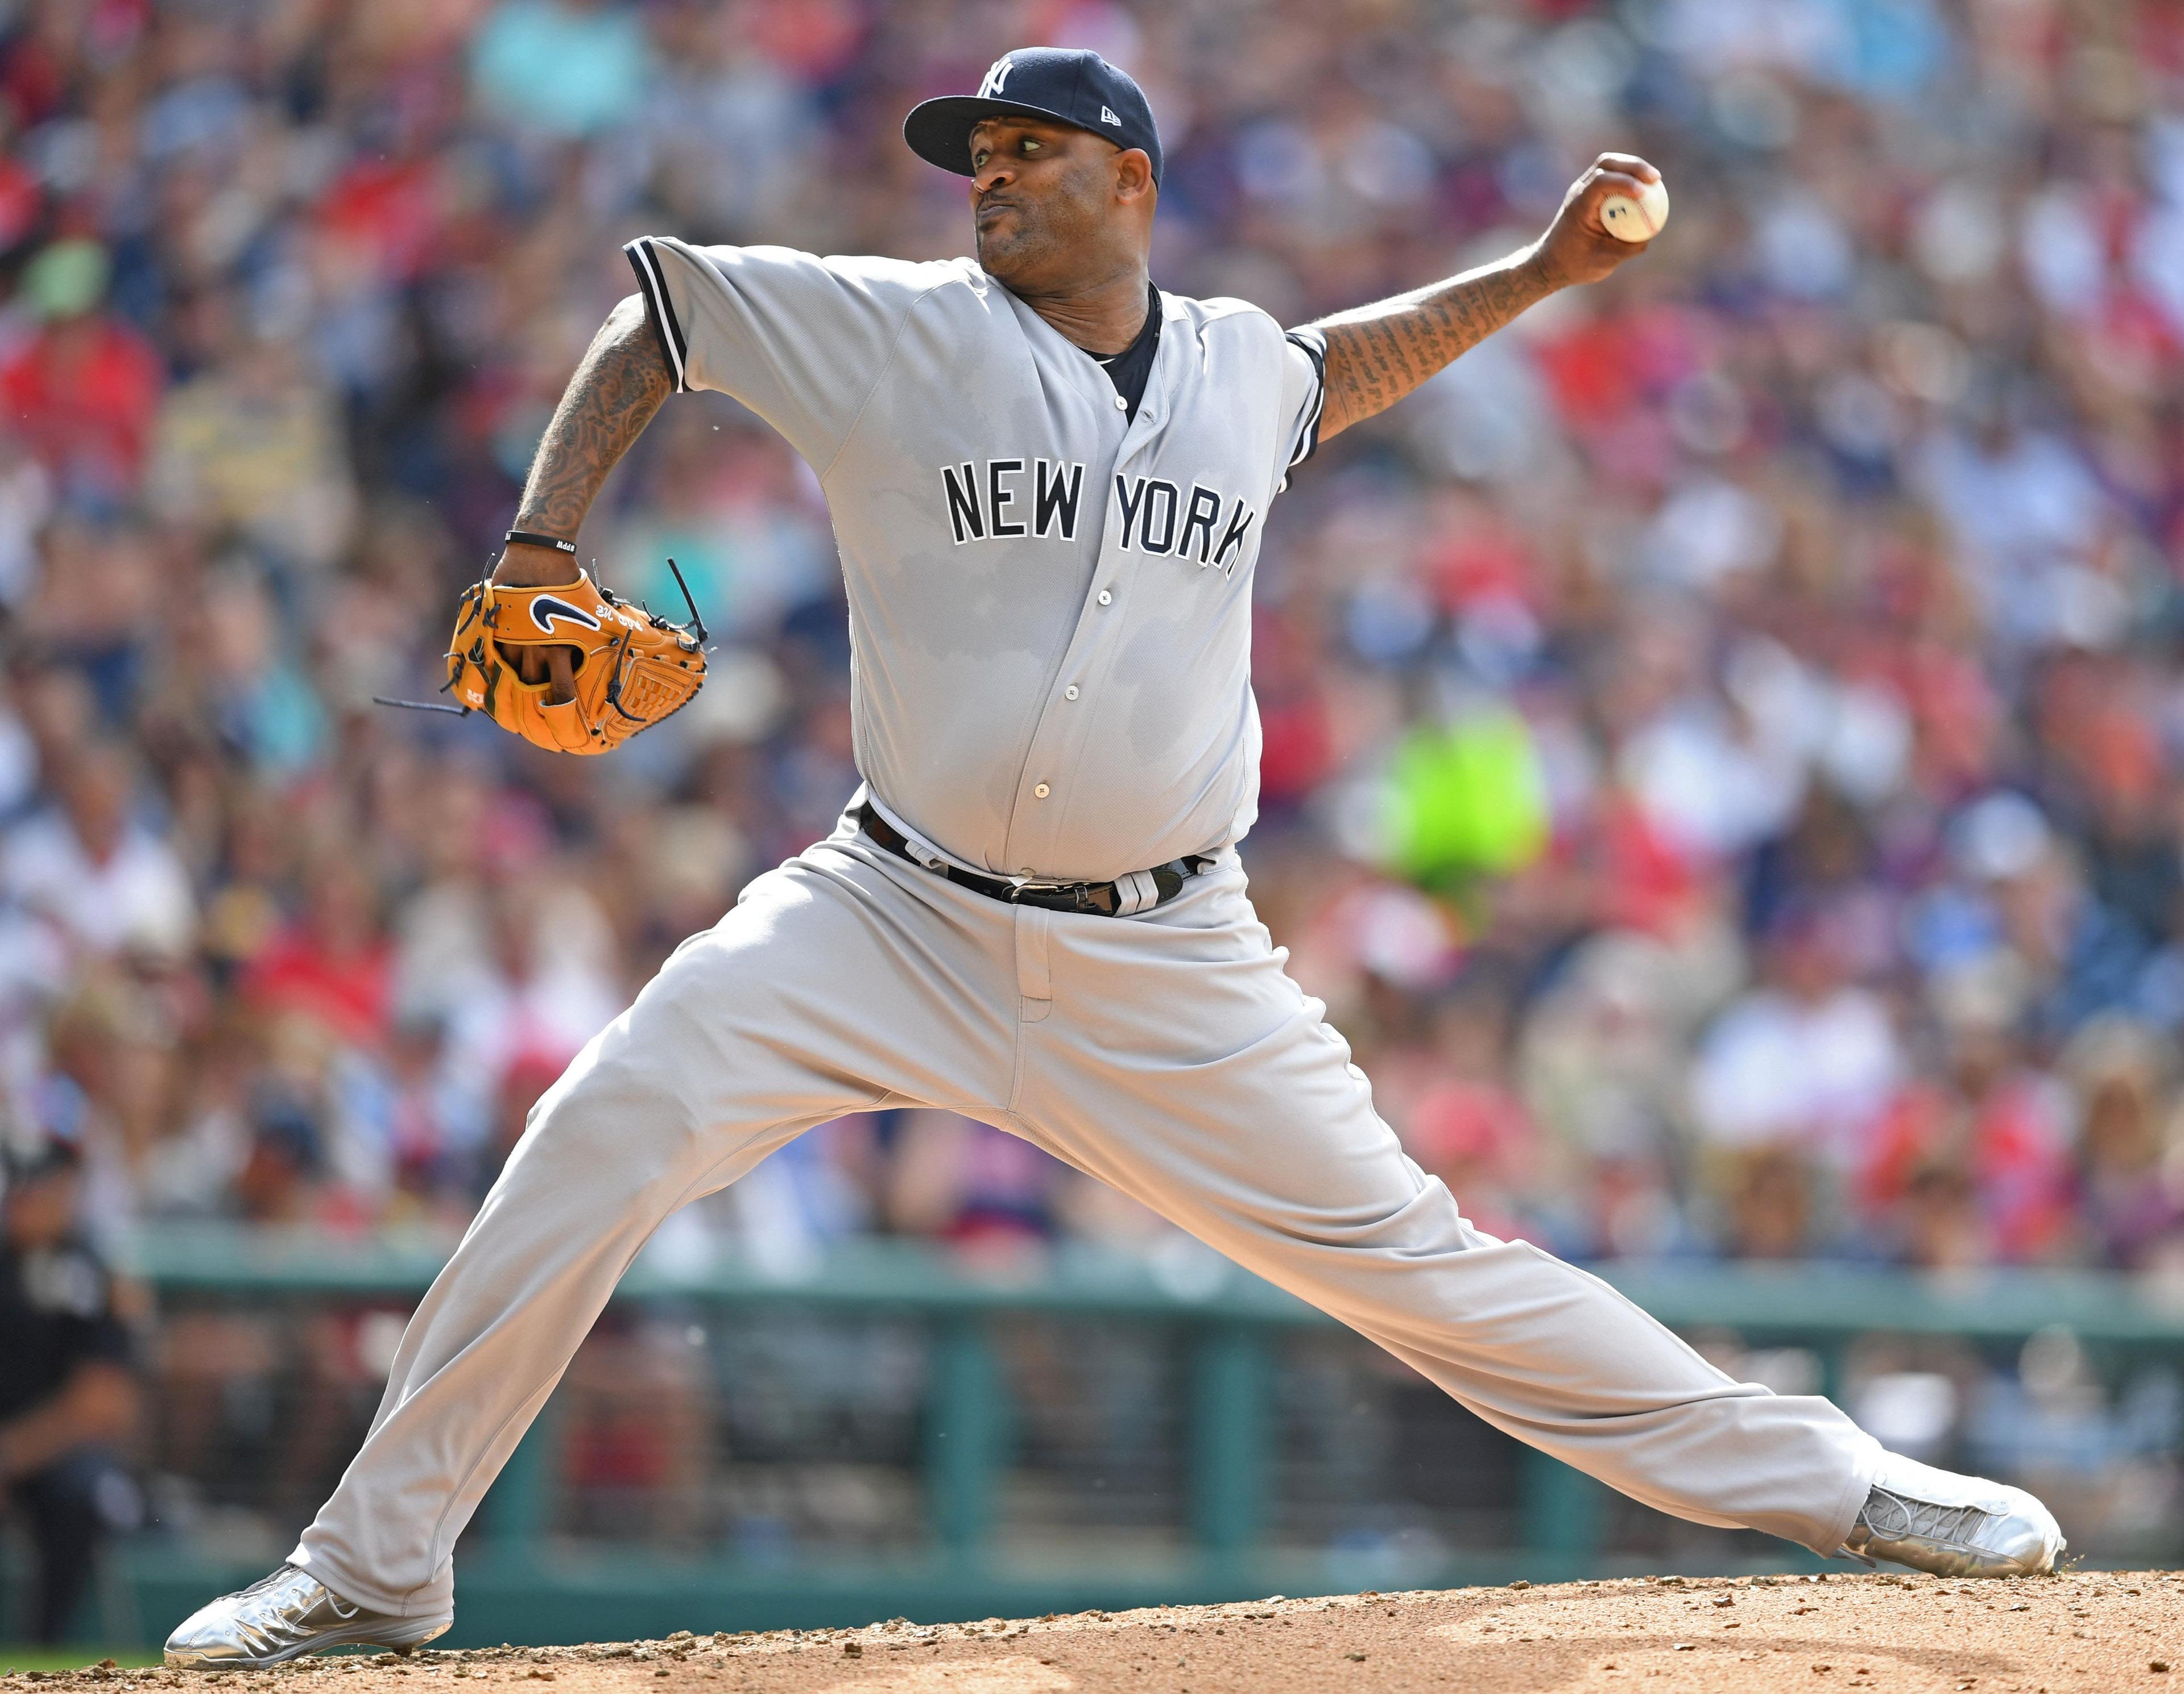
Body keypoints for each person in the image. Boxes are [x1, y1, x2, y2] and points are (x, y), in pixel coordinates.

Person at [166, 47, 2061, 1668]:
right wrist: (533, 541)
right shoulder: (901, 329)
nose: (988, 175)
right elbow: (655, 313)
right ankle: (368, 1569)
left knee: (1430, 1264)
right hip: (883, 909)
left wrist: (1546, 270)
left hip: (1172, 956)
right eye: (973, 156)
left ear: (1131, 180)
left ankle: (1848, 1482)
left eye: (1027, 151)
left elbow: (1341, 367)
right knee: (602, 1123)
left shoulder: (1238, 367)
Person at [0, 1130, 142, 1643]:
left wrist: (9, 1455)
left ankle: (43, 1654)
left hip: (52, 1453)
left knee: (85, 1495)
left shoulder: (94, 1269)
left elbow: (102, 1403)